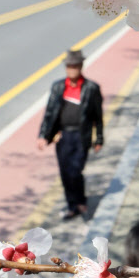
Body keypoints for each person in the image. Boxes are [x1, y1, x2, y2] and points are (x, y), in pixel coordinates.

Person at [38, 49, 103, 220]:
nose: (72, 69)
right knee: (65, 173)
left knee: (75, 171)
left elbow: (98, 116)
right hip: (63, 136)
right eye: (69, 66)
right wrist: (44, 135)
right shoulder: (58, 87)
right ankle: (73, 205)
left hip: (82, 137)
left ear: (81, 66)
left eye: (75, 66)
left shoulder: (91, 88)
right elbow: (50, 113)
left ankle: (80, 200)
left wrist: (99, 138)